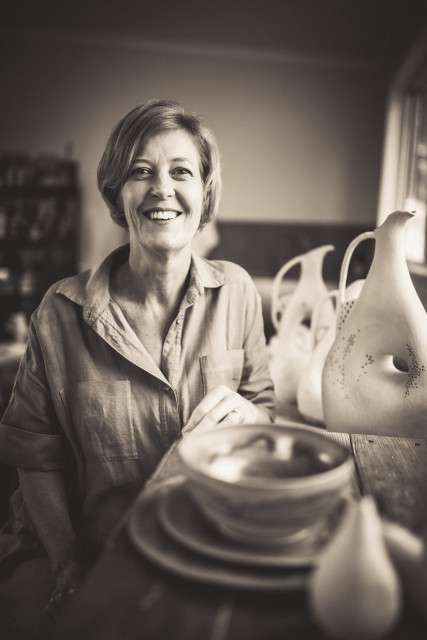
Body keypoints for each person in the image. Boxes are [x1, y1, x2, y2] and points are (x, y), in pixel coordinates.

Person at [0, 99, 276, 638]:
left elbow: (265, 410)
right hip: (82, 550)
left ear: (206, 193)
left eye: (181, 172)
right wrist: (68, 565)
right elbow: (35, 458)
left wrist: (252, 417)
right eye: (140, 172)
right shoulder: (59, 311)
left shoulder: (238, 291)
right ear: (116, 192)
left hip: (203, 543)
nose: (161, 189)